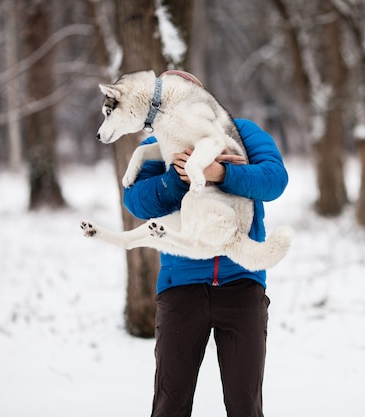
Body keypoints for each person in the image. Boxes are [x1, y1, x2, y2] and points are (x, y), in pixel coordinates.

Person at [123, 72, 289, 417]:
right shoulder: (158, 143)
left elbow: (274, 180)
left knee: (245, 405)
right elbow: (136, 202)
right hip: (180, 288)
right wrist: (177, 178)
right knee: (171, 404)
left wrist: (220, 174)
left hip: (242, 284)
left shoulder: (240, 132)